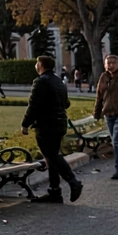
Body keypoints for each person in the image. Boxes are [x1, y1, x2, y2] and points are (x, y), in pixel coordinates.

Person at [23, 55, 83, 203]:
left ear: (41, 65)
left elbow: (33, 106)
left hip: (46, 125)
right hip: (60, 123)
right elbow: (66, 103)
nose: (36, 66)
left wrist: (25, 124)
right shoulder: (58, 81)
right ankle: (54, 191)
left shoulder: (40, 82)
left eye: (37, 63)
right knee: (51, 157)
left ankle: (73, 182)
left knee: (52, 156)